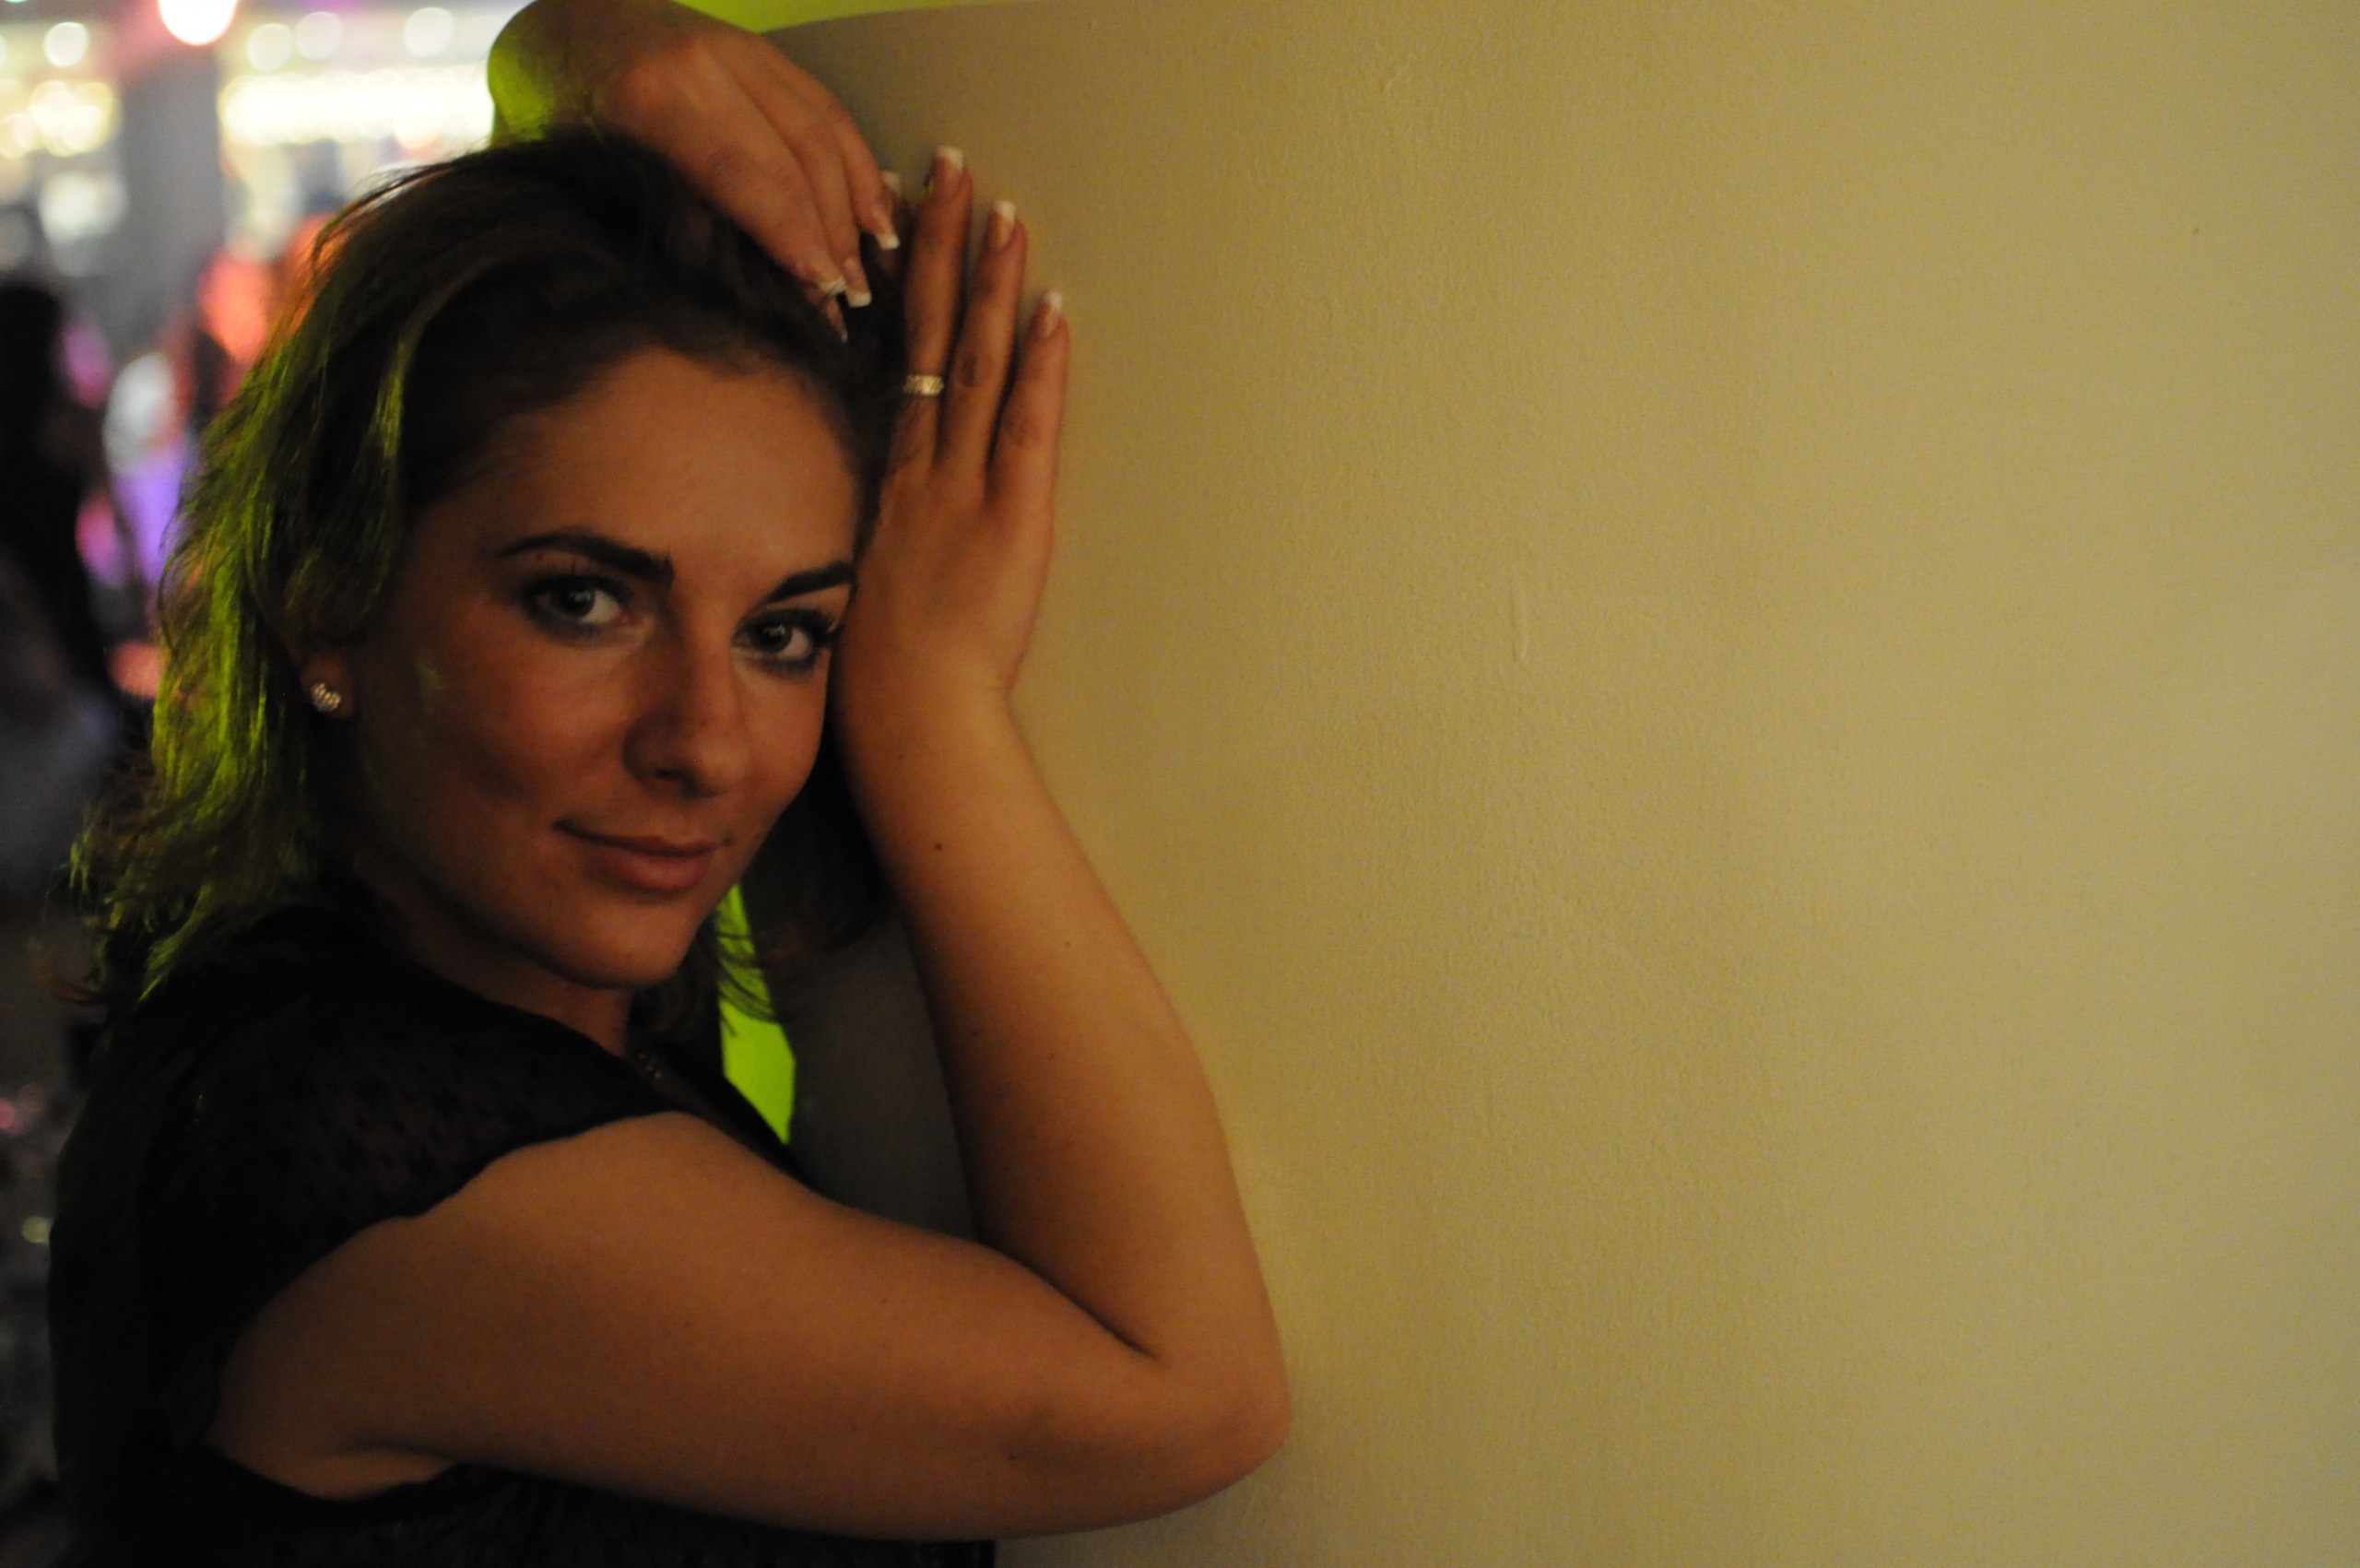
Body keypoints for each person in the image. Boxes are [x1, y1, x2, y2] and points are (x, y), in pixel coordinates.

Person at [49, 124, 1287, 1567]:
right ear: (330, 600)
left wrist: (583, 51)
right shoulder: (374, 1148)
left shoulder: (489, 1023)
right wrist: (932, 703)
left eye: (785, 633)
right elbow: (1182, 1387)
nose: (706, 742)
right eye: (585, 601)